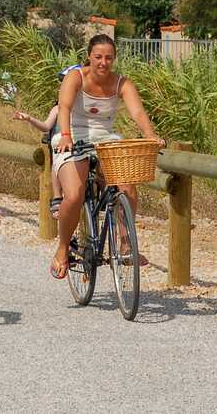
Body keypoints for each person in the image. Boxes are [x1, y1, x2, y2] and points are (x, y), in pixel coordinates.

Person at [51, 34, 164, 279]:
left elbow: (137, 111)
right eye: (98, 57)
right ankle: (62, 249)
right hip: (73, 134)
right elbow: (65, 107)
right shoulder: (76, 77)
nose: (103, 62)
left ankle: (125, 244)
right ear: (89, 57)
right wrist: (67, 136)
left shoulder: (122, 83)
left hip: (106, 139)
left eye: (109, 57)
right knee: (75, 194)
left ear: (114, 59)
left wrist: (150, 135)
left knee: (127, 186)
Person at [13, 106, 63, 218]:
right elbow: (46, 126)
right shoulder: (57, 109)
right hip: (61, 148)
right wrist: (29, 118)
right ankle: (57, 197)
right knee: (57, 161)